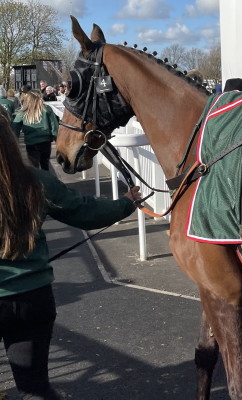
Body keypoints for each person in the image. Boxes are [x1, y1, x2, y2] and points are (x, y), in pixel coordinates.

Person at [0, 111, 141, 400]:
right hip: (33, 296)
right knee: (34, 388)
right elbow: (85, 211)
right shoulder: (36, 181)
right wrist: (126, 204)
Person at [12, 90, 59, 171]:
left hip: (31, 143)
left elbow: (15, 127)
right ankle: (47, 181)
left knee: (34, 167)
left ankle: (37, 183)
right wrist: (57, 140)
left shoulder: (23, 112)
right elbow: (54, 126)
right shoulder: (47, 109)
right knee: (45, 165)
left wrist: (14, 143)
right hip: (45, 142)